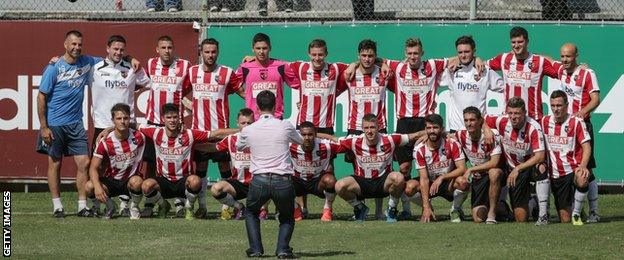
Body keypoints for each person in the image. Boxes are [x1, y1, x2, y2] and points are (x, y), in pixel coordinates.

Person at [485, 26, 557, 221]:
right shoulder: (504, 59)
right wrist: (473, 59)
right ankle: (513, 203)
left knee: (541, 165)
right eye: (514, 42)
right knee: (505, 161)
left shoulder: (539, 62)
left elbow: (561, 71)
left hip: (534, 121)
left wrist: (577, 67)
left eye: (520, 42)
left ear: (527, 41)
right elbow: (483, 65)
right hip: (512, 120)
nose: (517, 45)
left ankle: (543, 210)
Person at [36, 30, 105, 218]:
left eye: (79, 44)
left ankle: (82, 206)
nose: (77, 48)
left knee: (84, 162)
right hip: (55, 124)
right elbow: (41, 97)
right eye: (73, 44)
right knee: (55, 163)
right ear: (65, 45)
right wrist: (44, 126)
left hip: (76, 123)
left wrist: (129, 58)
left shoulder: (87, 62)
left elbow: (111, 59)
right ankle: (57, 206)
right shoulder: (53, 67)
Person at [319, 113, 425, 223]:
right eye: (366, 128)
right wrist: (312, 134)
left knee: (398, 177)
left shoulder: (390, 139)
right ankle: (360, 208)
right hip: (362, 184)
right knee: (339, 185)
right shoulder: (354, 141)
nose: (369, 131)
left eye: (372, 127)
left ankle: (391, 209)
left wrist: (432, 133)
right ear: (362, 129)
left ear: (378, 127)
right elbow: (333, 139)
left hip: (383, 183)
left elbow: (415, 135)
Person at [138, 103, 238, 219]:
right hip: (164, 181)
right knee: (145, 185)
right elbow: (133, 125)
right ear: (163, 119)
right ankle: (163, 205)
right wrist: (111, 128)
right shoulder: (155, 132)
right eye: (169, 117)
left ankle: (189, 207)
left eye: (175, 117)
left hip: (184, 183)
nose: (172, 121)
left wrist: (242, 130)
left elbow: (216, 133)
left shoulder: (189, 134)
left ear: (179, 119)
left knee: (195, 181)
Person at [236, 90, 303, 258]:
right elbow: (300, 140)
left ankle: (256, 249)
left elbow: (239, 146)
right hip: (283, 180)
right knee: (287, 216)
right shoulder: (285, 125)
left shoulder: (249, 129)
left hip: (260, 180)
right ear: (276, 106)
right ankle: (282, 249)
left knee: (251, 212)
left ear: (257, 108)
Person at [90, 35, 150, 216]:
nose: (118, 52)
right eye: (115, 49)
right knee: (99, 167)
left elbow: (149, 82)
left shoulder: (131, 68)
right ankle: (98, 204)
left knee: (127, 163)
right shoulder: (94, 68)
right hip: (102, 124)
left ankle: (125, 204)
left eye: (122, 50)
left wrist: (131, 59)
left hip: (126, 124)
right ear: (107, 48)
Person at [185, 38, 244, 218]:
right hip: (200, 133)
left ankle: (227, 208)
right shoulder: (192, 72)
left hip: (221, 132)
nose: (210, 55)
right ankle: (201, 207)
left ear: (218, 52)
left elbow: (243, 93)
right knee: (200, 170)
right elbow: (178, 92)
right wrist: (187, 105)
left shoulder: (226, 72)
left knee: (225, 168)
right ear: (200, 52)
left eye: (213, 52)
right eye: (207, 52)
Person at [552, 43, 601, 223]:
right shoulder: (560, 70)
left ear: (576, 56)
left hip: (581, 126)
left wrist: (582, 112)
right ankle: (579, 211)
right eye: (562, 56)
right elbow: (546, 60)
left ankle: (594, 212)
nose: (565, 60)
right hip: (566, 128)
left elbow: (596, 99)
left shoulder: (588, 73)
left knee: (587, 168)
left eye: (569, 56)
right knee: (576, 166)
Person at [143, 35, 192, 217]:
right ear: (157, 49)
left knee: (178, 161)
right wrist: (130, 58)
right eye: (163, 47)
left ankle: (180, 203)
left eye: (170, 47)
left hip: (175, 124)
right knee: (149, 164)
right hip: (153, 123)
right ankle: (150, 201)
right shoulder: (149, 64)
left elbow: (188, 85)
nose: (166, 51)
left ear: (174, 49)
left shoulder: (184, 66)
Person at [484, 97, 548, 224]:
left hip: (527, 168)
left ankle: (543, 213)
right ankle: (531, 202)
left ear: (524, 113)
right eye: (511, 113)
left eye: (517, 113)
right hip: (511, 169)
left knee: (541, 166)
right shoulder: (502, 121)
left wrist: (518, 168)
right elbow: (482, 118)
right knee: (521, 218)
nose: (513, 117)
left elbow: (540, 156)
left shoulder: (533, 127)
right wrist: (486, 129)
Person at [86, 103, 145, 219]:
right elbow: (93, 168)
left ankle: (134, 207)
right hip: (111, 181)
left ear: (130, 119)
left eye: (125, 118)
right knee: (89, 187)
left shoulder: (140, 137)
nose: (122, 121)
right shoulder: (105, 141)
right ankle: (101, 206)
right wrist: (98, 187)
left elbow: (160, 128)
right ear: (113, 120)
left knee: (137, 182)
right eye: (118, 118)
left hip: (129, 182)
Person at [541, 90, 592, 225]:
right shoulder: (544, 121)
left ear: (566, 105)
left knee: (582, 178)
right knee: (564, 219)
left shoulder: (576, 122)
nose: (556, 109)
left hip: (573, 169)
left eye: (559, 105)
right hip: (556, 175)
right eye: (553, 105)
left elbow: (586, 146)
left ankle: (577, 214)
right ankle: (537, 204)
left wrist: (582, 166)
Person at [406, 114, 468, 223]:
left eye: (435, 127)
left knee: (463, 182)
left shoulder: (452, 144)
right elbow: (424, 178)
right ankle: (429, 209)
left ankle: (455, 210)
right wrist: (426, 207)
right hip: (430, 182)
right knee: (409, 187)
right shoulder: (419, 149)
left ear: (442, 129)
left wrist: (442, 177)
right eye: (429, 128)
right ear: (425, 130)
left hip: (447, 182)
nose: (432, 131)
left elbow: (462, 168)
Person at [197, 108, 254, 220]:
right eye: (243, 123)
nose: (246, 126)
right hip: (238, 184)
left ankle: (269, 210)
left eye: (249, 123)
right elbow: (214, 147)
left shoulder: (261, 138)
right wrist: (194, 146)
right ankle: (239, 207)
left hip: (257, 184)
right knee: (215, 189)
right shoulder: (231, 139)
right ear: (237, 123)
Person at [440, 35, 504, 132]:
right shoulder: (451, 70)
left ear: (474, 51)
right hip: (456, 129)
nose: (463, 55)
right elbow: (429, 78)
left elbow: (507, 87)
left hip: (478, 128)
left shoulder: (484, 70)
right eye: (460, 52)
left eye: (467, 52)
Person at [455, 107, 504, 223]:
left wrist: (471, 169)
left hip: (494, 176)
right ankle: (500, 206)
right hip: (478, 179)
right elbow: (444, 135)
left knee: (494, 172)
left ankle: (492, 213)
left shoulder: (492, 135)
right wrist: (424, 136)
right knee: (478, 218)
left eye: (472, 120)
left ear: (479, 121)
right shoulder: (460, 134)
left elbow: (494, 162)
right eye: (466, 120)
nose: (469, 123)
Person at [235, 33, 301, 120]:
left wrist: (302, 100)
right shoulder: (245, 67)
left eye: (264, 48)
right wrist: (245, 95)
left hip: (276, 117)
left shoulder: (281, 66)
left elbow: (299, 82)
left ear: (270, 48)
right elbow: (233, 84)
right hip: (253, 119)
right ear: (253, 49)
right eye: (258, 48)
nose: (261, 52)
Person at [290, 121, 344, 221]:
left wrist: (332, 138)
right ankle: (295, 208)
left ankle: (327, 209)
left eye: (310, 134)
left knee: (331, 181)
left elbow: (348, 145)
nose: (306, 138)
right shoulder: (290, 146)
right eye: (303, 135)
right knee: (279, 183)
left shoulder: (326, 146)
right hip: (298, 182)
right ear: (299, 135)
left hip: (317, 183)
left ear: (315, 134)